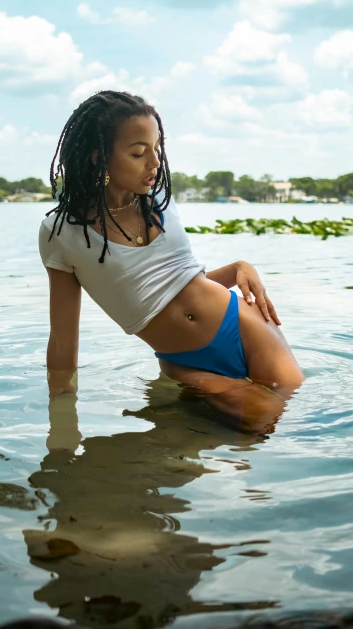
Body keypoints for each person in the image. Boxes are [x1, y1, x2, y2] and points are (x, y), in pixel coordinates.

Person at [38, 91, 304, 433]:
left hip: (244, 326)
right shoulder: (62, 233)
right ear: (98, 158)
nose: (155, 163)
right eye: (138, 152)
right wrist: (61, 422)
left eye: (157, 149)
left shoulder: (160, 199)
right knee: (262, 424)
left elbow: (185, 282)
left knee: (299, 418)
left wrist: (238, 267)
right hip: (185, 362)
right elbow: (63, 340)